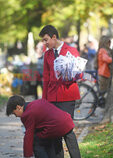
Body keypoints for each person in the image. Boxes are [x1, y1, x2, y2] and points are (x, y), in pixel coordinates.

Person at [39, 25, 81, 158]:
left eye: (46, 40)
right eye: (43, 41)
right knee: (55, 133)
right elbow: (46, 79)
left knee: (67, 131)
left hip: (67, 96)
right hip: (51, 99)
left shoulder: (72, 51)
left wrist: (69, 76)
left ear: (54, 37)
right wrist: (44, 102)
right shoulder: (47, 54)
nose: (45, 44)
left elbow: (78, 74)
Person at [6, 95, 77, 158]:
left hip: (55, 128)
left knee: (36, 142)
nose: (16, 116)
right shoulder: (38, 102)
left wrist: (27, 155)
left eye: (14, 113)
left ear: (18, 107)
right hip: (67, 121)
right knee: (58, 143)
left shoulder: (26, 114)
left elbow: (29, 135)